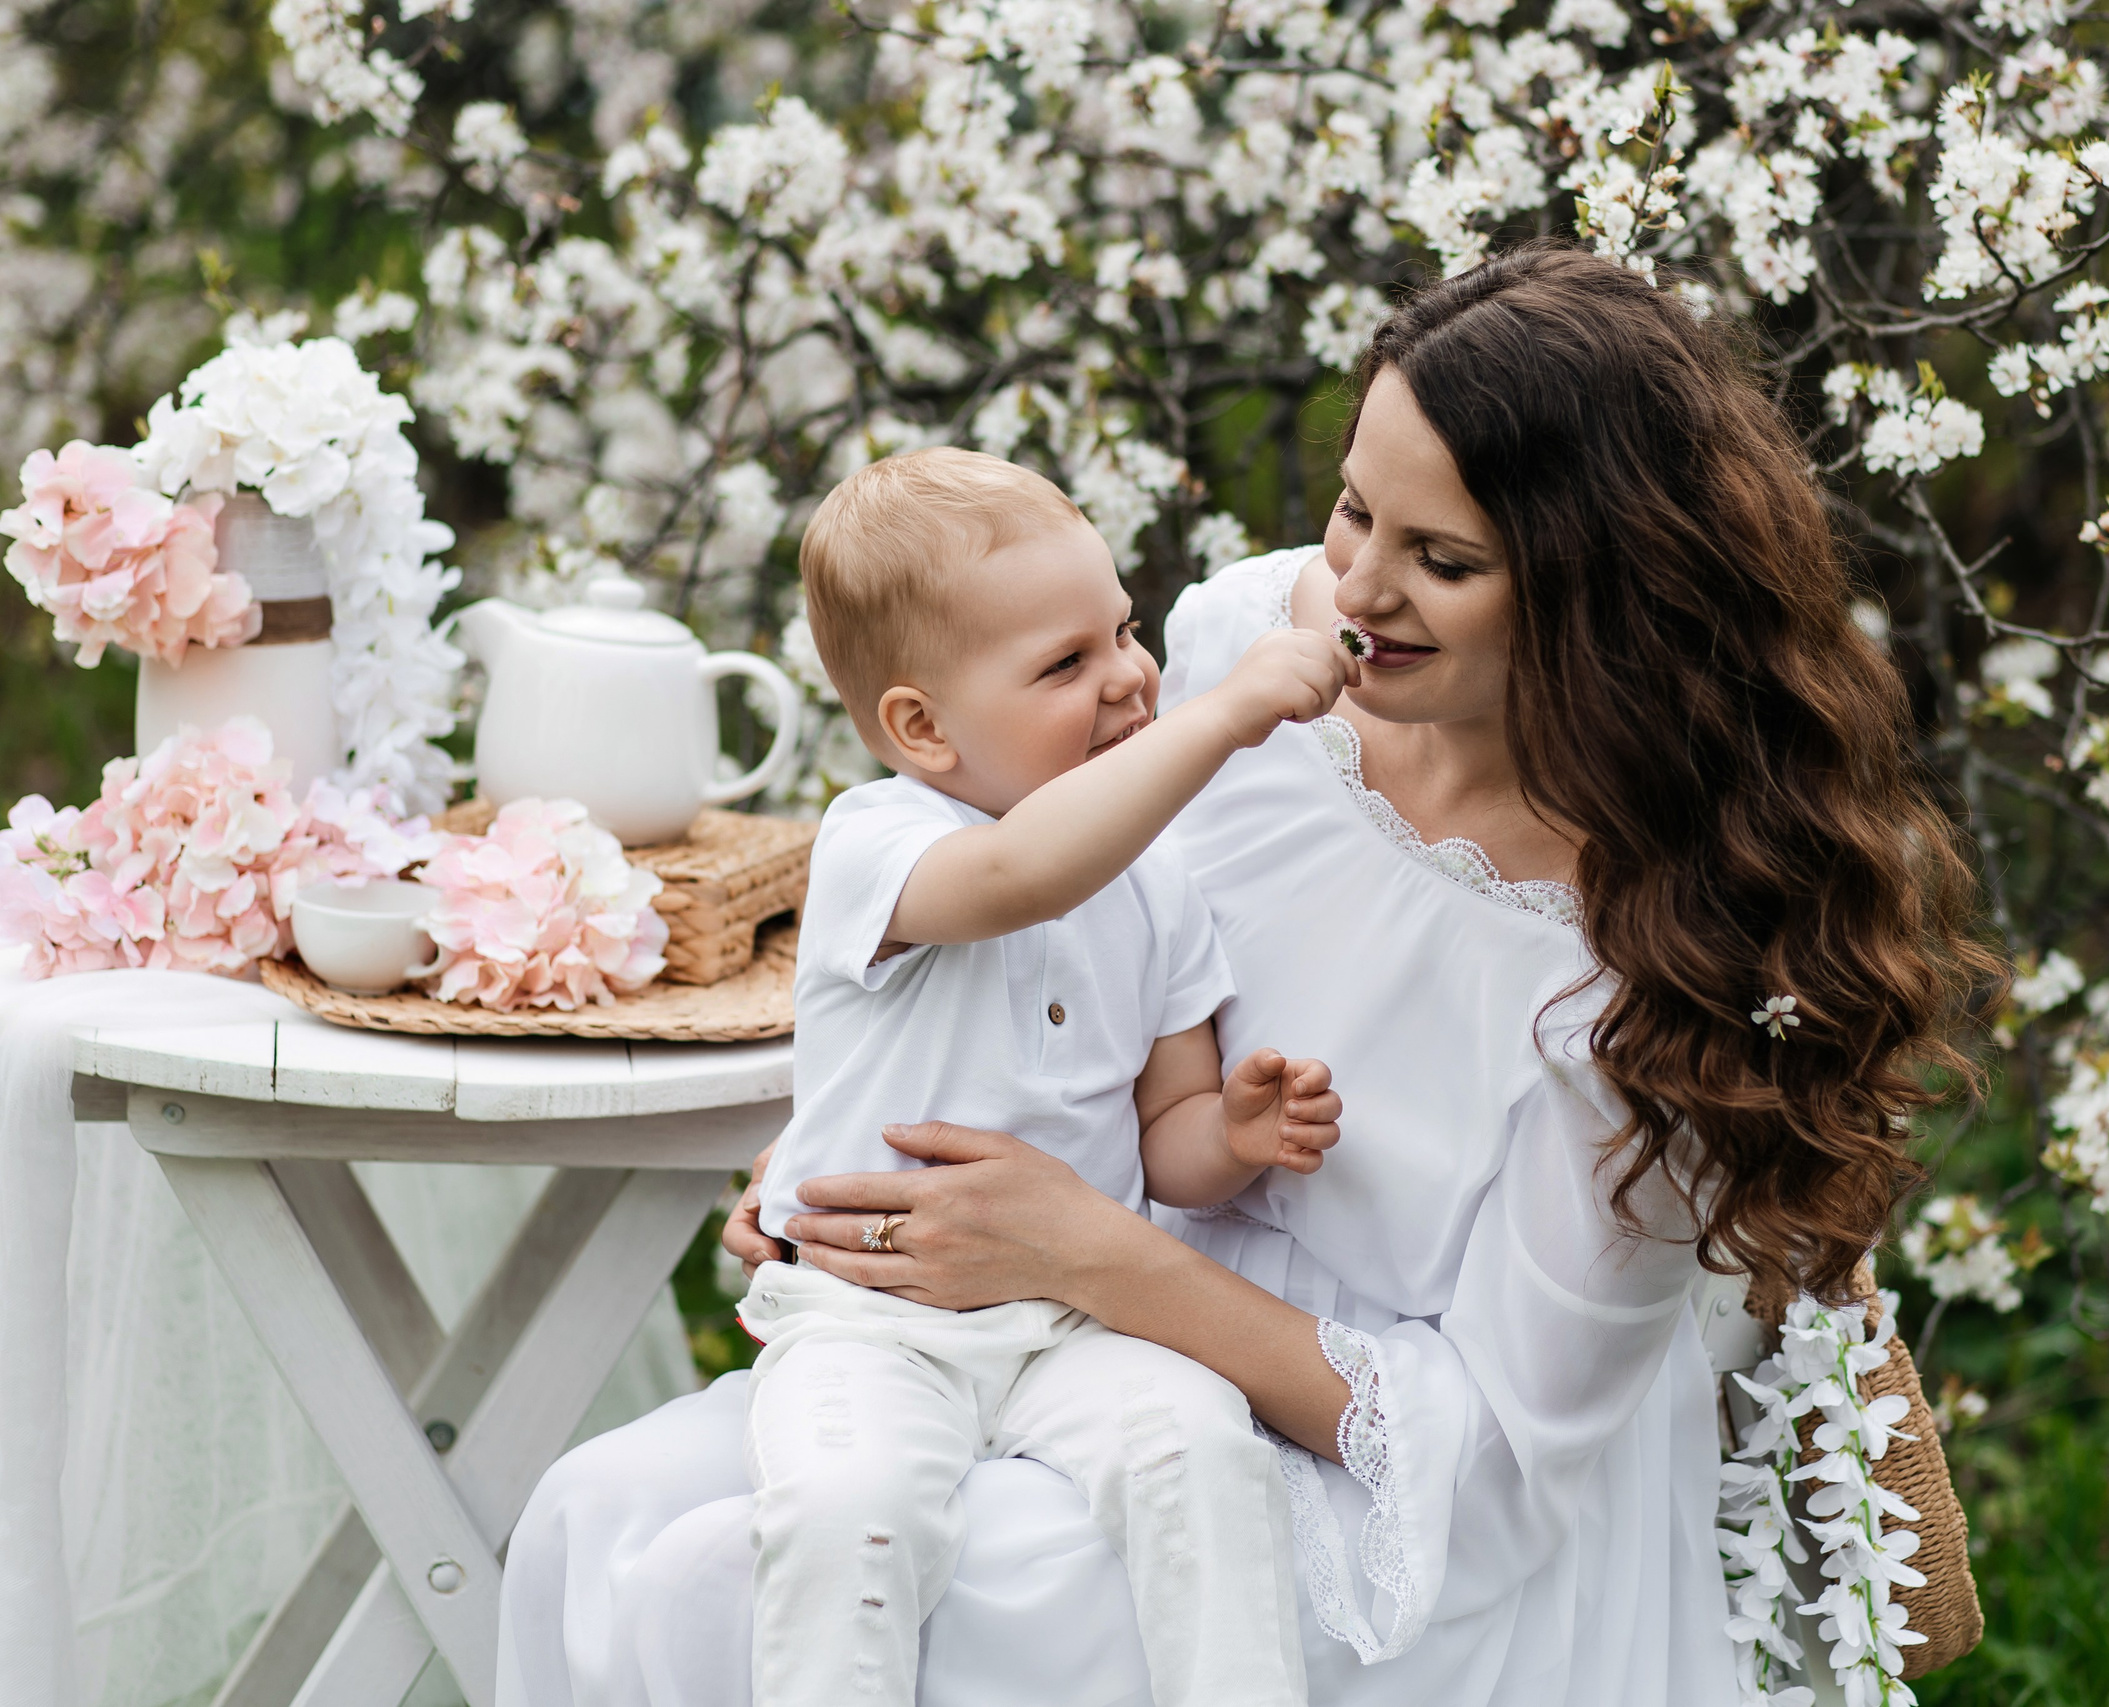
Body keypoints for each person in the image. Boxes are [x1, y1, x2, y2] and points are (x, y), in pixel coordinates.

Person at [497, 245, 1992, 1707]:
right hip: (1041, 1321)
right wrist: (875, 1158)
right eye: (1353, 510)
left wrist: (1078, 1248)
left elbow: (1495, 1467)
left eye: (1443, 561)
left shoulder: (1667, 958)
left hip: (1363, 1481)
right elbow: (1048, 934)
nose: (1359, 588)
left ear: (1605, 593)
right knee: (593, 1513)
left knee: (719, 1588)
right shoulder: (1238, 658)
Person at [740, 447, 1357, 1707]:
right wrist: (1221, 715)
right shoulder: (883, 841)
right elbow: (1020, 875)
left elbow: (1165, 1132)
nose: (1127, 674)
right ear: (922, 729)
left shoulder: (1158, 883)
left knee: (1202, 1450)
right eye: (1064, 663)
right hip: (874, 1319)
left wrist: (1233, 1134)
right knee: (844, 1510)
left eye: (1123, 629)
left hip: (1078, 1318)